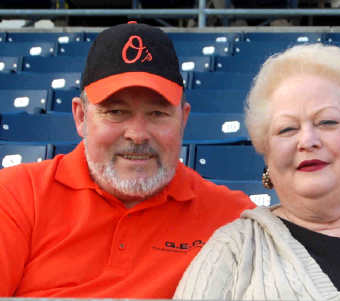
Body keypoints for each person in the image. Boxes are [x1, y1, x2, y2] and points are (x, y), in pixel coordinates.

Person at [175, 44, 340, 300]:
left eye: (327, 122)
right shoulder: (233, 249)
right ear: (267, 153)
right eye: (287, 129)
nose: (307, 141)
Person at [0, 22, 255, 298]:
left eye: (157, 113)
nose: (137, 134)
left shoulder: (232, 216)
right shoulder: (16, 195)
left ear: (184, 119)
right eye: (116, 112)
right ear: (81, 116)